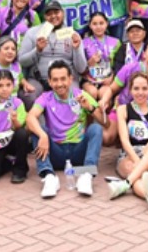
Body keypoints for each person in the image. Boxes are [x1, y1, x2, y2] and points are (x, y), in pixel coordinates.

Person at [27, 60, 105, 198]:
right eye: (55, 80)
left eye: (63, 79)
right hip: (56, 152)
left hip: (78, 152)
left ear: (70, 79)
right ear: (50, 82)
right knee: (38, 131)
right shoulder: (45, 97)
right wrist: (43, 135)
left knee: (96, 129)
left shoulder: (81, 95)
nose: (59, 83)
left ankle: (86, 175)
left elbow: (106, 123)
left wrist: (90, 108)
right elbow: (30, 117)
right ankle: (49, 176)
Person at [107, 71, 148, 209]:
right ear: (130, 90)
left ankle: (126, 183)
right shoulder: (123, 110)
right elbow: (124, 141)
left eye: (144, 88)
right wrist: (138, 163)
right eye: (136, 88)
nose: (140, 92)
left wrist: (144, 162)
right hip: (130, 154)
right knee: (134, 172)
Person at [18, 1, 87, 94]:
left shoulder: (73, 35)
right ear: (44, 17)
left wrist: (77, 48)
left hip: (65, 81)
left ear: (63, 13)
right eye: (49, 14)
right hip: (38, 80)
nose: (53, 16)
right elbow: (22, 61)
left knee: (73, 96)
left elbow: (81, 68)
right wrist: (37, 50)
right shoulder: (32, 32)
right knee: (29, 96)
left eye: (56, 12)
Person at [81, 12, 121, 101]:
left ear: (106, 23)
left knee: (104, 94)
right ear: (90, 26)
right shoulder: (84, 43)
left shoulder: (116, 42)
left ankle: (103, 114)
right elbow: (79, 68)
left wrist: (112, 77)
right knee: (92, 93)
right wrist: (90, 62)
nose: (98, 27)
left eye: (101, 23)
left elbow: (119, 64)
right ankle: (91, 114)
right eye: (94, 24)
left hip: (108, 79)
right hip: (90, 80)